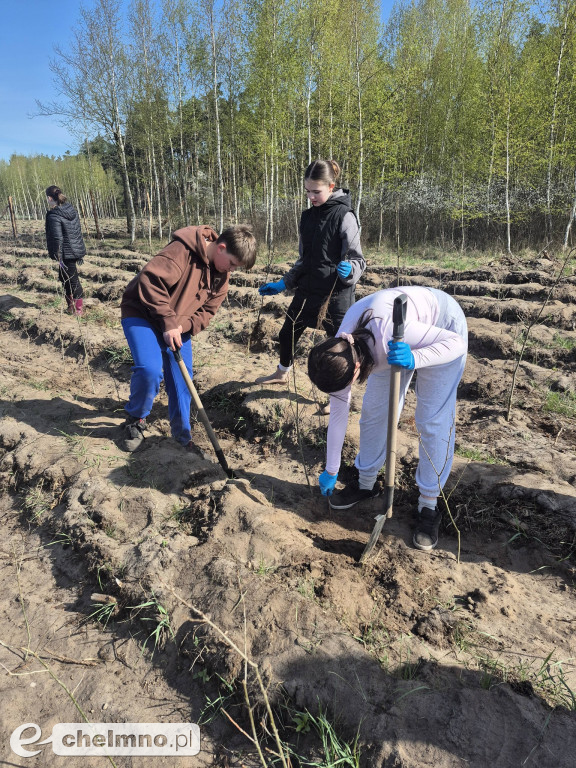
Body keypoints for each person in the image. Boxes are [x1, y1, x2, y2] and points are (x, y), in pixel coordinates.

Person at [307, 286, 468, 552]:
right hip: (386, 338)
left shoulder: (384, 334)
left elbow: (456, 344)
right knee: (375, 412)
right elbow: (338, 413)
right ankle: (366, 483)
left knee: (432, 420)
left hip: (441, 328)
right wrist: (331, 469)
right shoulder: (339, 349)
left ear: (356, 367)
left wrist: (415, 357)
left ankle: (428, 504)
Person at [120, 224, 257, 452]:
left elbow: (206, 313)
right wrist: (168, 321)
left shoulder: (221, 278)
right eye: (232, 263)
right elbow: (150, 281)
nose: (232, 270)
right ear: (221, 247)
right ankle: (135, 419)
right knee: (150, 370)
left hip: (175, 326)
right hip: (141, 313)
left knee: (182, 380)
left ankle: (182, 437)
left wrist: (180, 326)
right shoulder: (181, 250)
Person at [255, 159, 365, 385]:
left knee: (339, 348)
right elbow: (303, 260)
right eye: (307, 191)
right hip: (308, 290)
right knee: (287, 334)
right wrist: (284, 283)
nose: (311, 197)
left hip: (335, 295)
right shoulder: (307, 217)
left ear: (331, 187)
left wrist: (350, 270)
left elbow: (358, 259)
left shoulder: (345, 216)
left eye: (316, 191)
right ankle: (281, 373)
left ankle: (339, 395)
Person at [45, 185, 86, 316]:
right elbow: (77, 231)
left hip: (65, 253)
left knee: (73, 281)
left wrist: (58, 256)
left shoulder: (54, 215)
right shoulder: (71, 210)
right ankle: (70, 307)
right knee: (64, 278)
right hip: (74, 250)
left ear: (50, 198)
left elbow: (57, 238)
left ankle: (78, 311)